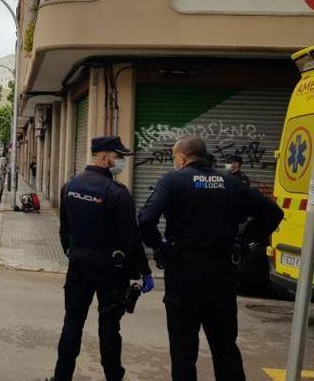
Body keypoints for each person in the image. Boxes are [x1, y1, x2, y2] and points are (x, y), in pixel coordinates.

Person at [138, 136, 282, 381]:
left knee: (183, 350)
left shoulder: (172, 181)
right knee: (225, 347)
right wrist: (244, 241)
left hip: (183, 275)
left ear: (181, 158)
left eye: (175, 158)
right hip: (221, 274)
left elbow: (146, 219)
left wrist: (159, 248)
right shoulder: (231, 183)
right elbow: (272, 213)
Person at [51, 135, 154, 381]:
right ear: (104, 156)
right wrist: (144, 271)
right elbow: (131, 238)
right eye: (118, 157)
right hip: (110, 268)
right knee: (109, 328)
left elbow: (64, 230)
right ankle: (113, 377)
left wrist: (72, 252)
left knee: (72, 324)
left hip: (78, 265)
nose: (121, 162)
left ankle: (61, 377)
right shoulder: (117, 193)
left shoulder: (70, 186)